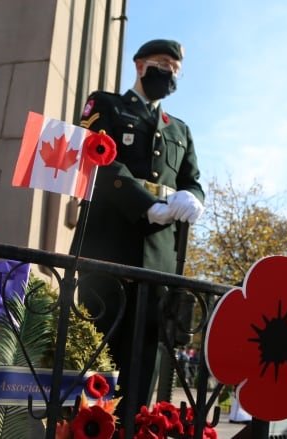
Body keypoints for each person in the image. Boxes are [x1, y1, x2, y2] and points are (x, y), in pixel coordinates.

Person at [74, 39, 205, 413]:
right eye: (163, 64)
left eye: (175, 70)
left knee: (145, 361)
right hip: (109, 250)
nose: (170, 74)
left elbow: (192, 180)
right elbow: (93, 156)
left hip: (160, 260)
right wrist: (146, 206)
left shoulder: (179, 129)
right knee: (99, 353)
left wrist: (194, 198)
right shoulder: (106, 106)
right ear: (140, 64)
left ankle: (136, 427)